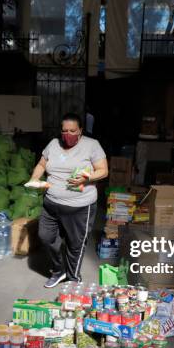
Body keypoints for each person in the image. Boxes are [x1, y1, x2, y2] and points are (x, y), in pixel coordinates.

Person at [29, 113, 108, 288]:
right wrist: (35, 179)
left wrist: (86, 178)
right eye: (64, 130)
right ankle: (59, 270)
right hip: (51, 203)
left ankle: (73, 280)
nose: (68, 134)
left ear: (80, 130)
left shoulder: (92, 145)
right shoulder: (53, 144)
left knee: (75, 244)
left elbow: (103, 170)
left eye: (72, 130)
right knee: (45, 237)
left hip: (79, 206)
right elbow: (42, 164)